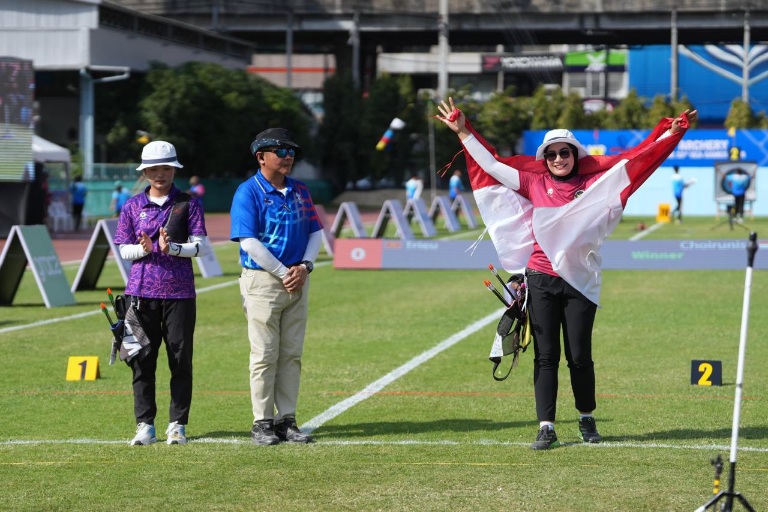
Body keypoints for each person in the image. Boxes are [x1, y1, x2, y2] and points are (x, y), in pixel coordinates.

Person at [437, 97, 697, 450]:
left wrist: (672, 134)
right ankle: (546, 427)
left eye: (564, 152)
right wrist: (464, 132)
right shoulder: (532, 182)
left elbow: (642, 160)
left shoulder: (600, 182)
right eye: (551, 154)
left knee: (579, 357)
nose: (558, 159)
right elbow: (492, 166)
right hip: (540, 280)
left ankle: (586, 419)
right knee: (546, 357)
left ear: (575, 154)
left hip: (580, 282)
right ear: (544, 159)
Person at [230, 127, 323, 446]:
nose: (288, 157)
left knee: (291, 354)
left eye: (291, 152)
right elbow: (248, 241)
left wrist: (305, 267)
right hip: (264, 281)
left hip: (297, 278)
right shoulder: (248, 191)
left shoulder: (300, 190)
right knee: (264, 353)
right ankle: (262, 422)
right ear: (261, 157)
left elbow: (315, 232)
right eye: (281, 151)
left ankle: (287, 420)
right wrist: (286, 272)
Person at [113, 140, 209, 446]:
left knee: (180, 360)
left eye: (166, 168)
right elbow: (122, 248)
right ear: (145, 172)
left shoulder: (188, 203)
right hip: (139, 294)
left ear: (174, 170)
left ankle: (177, 425)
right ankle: (145, 425)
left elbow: (201, 247)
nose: (160, 174)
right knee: (141, 360)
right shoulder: (132, 206)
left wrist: (174, 249)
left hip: (180, 294)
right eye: (153, 169)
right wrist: (143, 250)